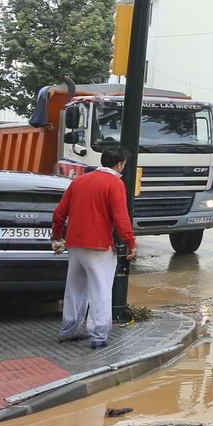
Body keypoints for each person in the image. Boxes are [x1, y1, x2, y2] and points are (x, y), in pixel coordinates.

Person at [51, 146, 137, 349]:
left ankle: (68, 330)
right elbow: (120, 217)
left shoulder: (79, 181)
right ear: (119, 164)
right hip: (99, 245)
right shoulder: (115, 183)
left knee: (74, 289)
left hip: (74, 243)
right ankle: (98, 335)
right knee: (100, 289)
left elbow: (59, 213)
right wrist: (130, 241)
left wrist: (57, 238)